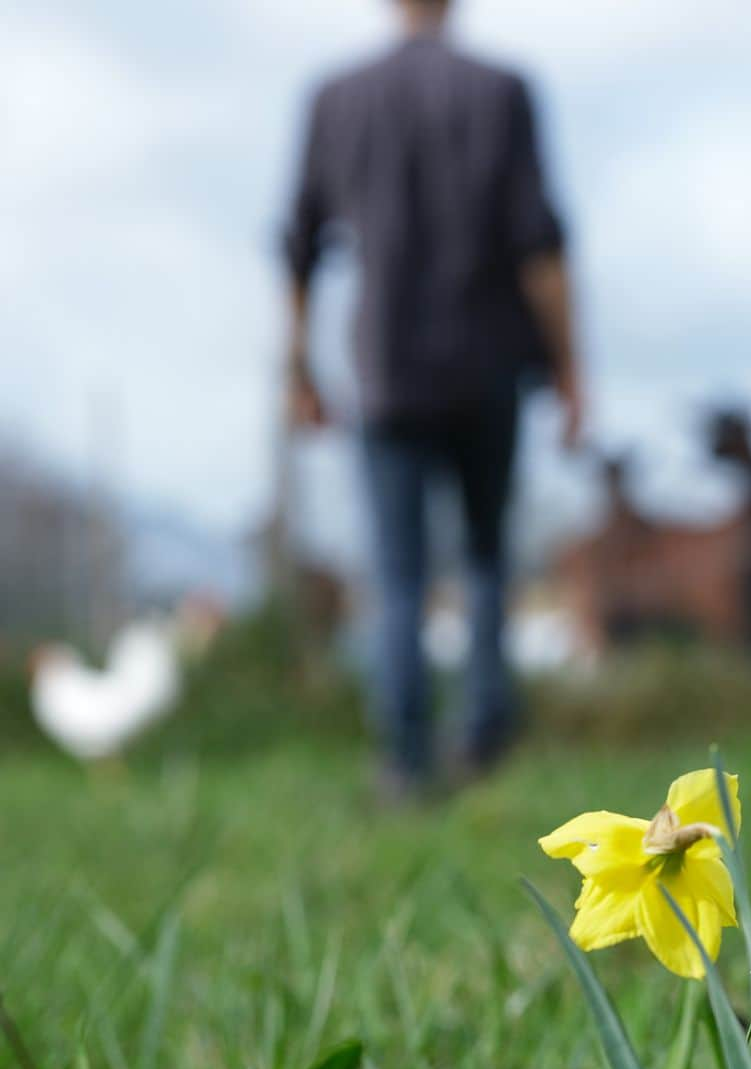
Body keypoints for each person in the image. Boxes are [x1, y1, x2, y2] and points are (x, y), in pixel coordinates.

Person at [282, 0, 583, 798]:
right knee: (486, 557)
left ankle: (403, 759)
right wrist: (571, 367)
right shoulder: (502, 91)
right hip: (487, 366)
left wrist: (298, 368)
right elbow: (541, 246)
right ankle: (484, 740)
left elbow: (299, 246)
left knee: (399, 570)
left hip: (385, 370)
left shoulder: (336, 98)